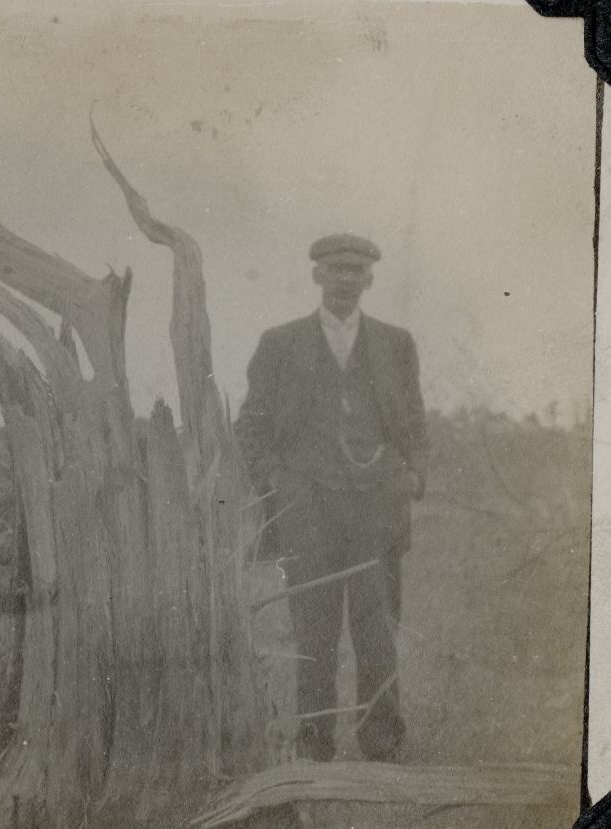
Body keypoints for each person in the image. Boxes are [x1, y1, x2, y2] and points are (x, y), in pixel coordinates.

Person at [234, 232, 428, 763]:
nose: (345, 279)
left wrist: (414, 474)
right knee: (313, 635)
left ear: (369, 278)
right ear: (317, 276)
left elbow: (413, 423)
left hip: (376, 511)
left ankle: (382, 749)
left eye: (355, 270)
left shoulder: (395, 343)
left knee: (376, 634)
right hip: (308, 511)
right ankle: (314, 752)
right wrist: (277, 479)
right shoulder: (280, 342)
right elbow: (250, 427)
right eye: (335, 269)